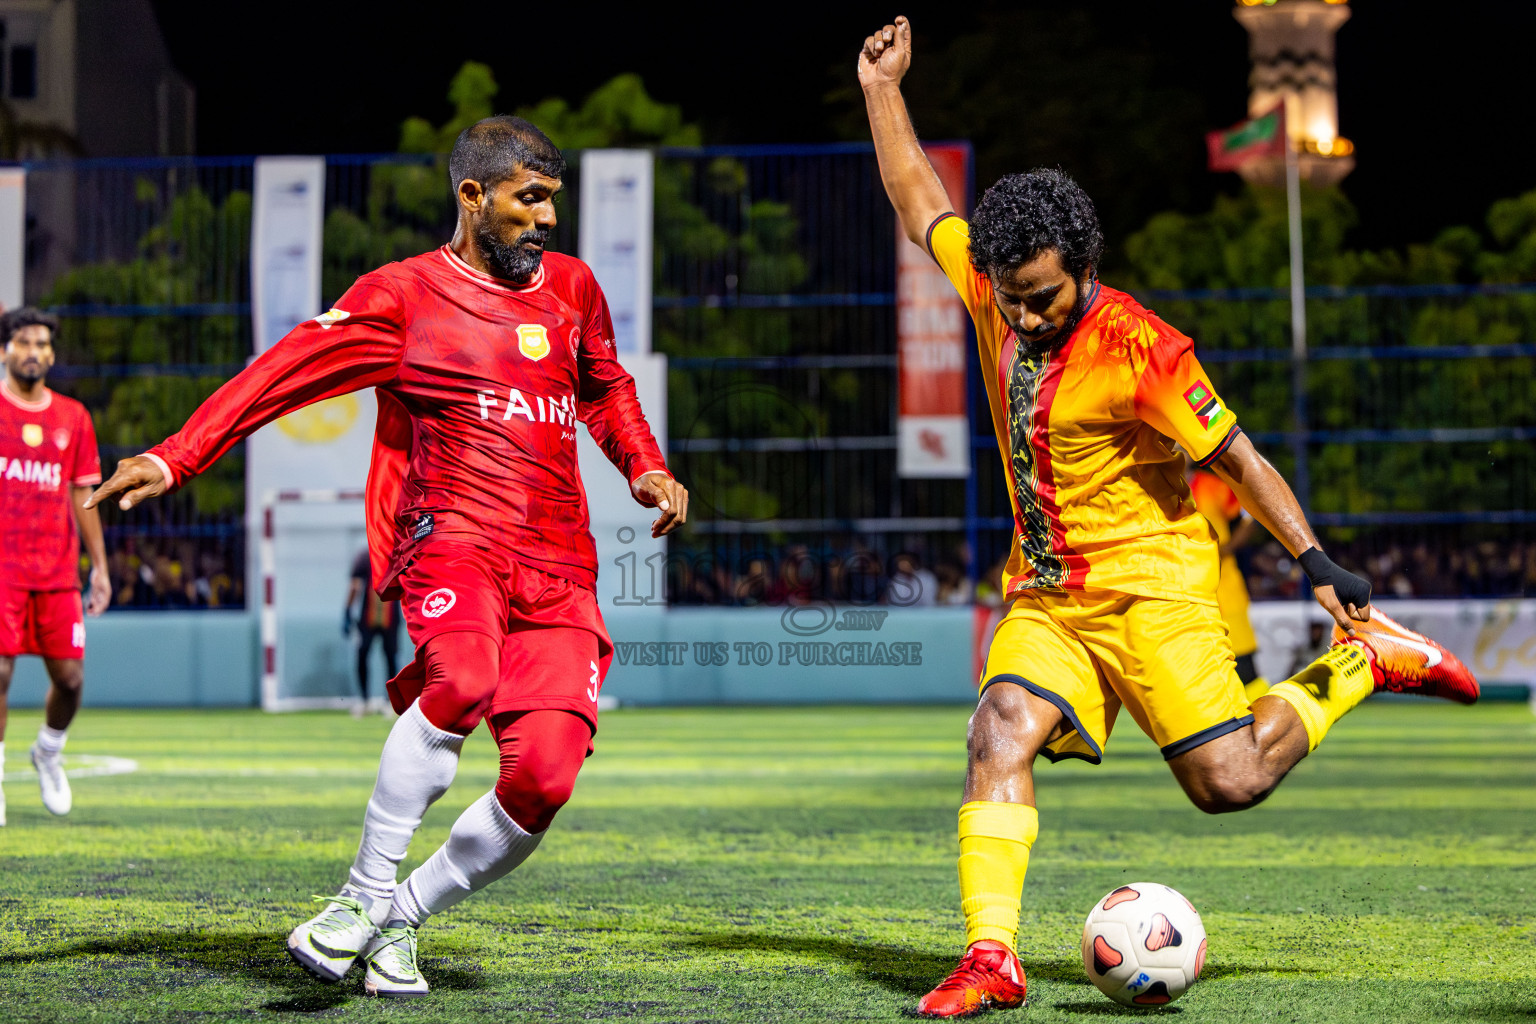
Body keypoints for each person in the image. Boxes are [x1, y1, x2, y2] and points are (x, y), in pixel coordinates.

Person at [858, 18, 1479, 1017]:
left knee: (1227, 782)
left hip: (1155, 588)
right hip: (1051, 597)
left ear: (1085, 265)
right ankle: (990, 955)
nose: (1025, 318)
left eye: (1043, 297)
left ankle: (1365, 661)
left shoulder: (1142, 348)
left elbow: (1239, 457)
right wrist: (882, 88)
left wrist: (1316, 561)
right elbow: (917, 196)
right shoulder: (992, 281)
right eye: (1012, 300)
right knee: (997, 728)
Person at [88, 116, 689, 999]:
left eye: (553, 201)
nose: (548, 219)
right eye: (530, 199)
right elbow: (283, 370)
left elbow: (605, 385)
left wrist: (645, 463)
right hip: (455, 539)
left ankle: (400, 915)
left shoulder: (573, 288)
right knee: (462, 680)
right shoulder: (403, 296)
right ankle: (360, 896)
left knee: (545, 777)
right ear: (472, 195)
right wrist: (176, 455)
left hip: (561, 564)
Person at [0, 307, 111, 826]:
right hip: (3, 569)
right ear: (5, 350)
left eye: (42, 344)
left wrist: (100, 568)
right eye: (24, 341)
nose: (34, 351)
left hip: (56, 571)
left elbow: (82, 493)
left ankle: (48, 750)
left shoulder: (73, 417)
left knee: (70, 678)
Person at [1187, 458, 1268, 703]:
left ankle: (1263, 714)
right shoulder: (1154, 485)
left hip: (1223, 584)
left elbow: (1250, 515)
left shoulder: (1213, 486)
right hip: (1182, 586)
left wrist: (1229, 548)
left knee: (1243, 663)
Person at [345, 548, 400, 717]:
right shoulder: (365, 557)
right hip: (368, 617)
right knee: (364, 654)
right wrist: (348, 610)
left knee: (390, 657)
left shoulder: (397, 556)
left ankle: (389, 701)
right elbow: (355, 585)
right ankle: (365, 700)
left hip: (390, 616)